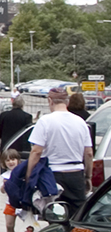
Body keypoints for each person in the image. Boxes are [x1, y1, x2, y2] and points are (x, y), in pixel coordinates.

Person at [27, 86, 92, 216]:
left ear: (50, 101)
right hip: (76, 173)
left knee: (54, 214)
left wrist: (29, 174)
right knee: (77, 214)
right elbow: (89, 153)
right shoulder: (80, 122)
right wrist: (88, 176)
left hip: (52, 175)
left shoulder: (45, 121)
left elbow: (36, 152)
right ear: (67, 102)